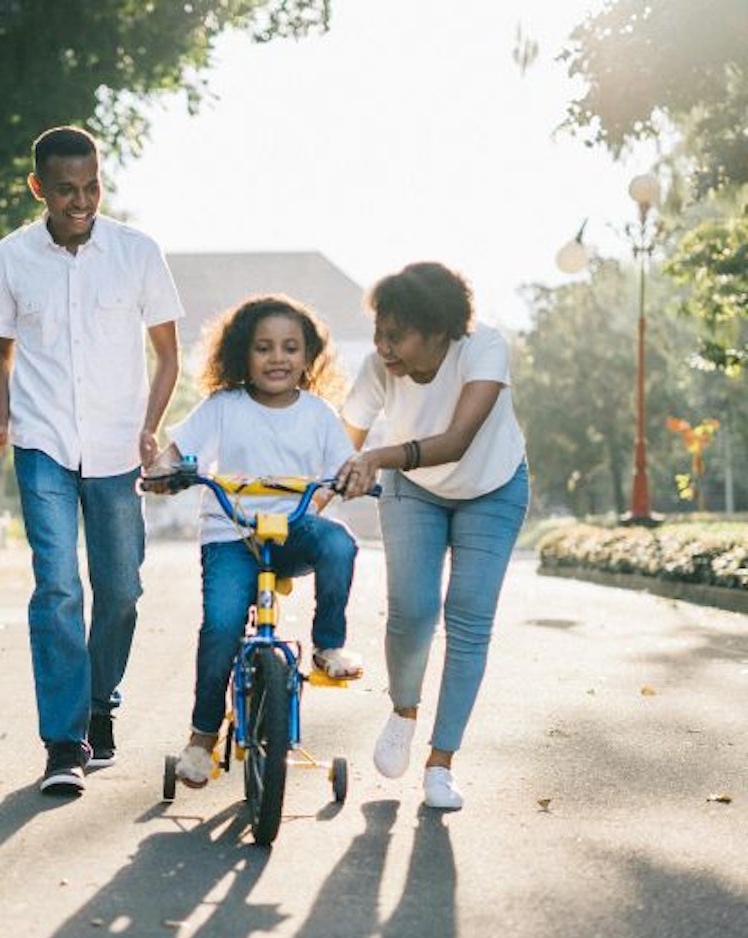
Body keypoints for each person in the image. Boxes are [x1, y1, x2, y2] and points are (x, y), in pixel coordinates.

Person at [0, 125, 183, 796]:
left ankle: (100, 704)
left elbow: (168, 354)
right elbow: (1, 354)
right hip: (42, 444)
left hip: (118, 446)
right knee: (59, 586)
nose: (81, 201)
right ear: (39, 188)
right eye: (66, 190)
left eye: (91, 186)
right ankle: (64, 742)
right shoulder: (12, 256)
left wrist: (151, 428)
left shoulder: (137, 252)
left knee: (120, 591)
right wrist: (1, 423)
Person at [144, 294, 362, 788]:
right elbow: (177, 452)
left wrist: (352, 481)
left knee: (339, 544)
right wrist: (162, 472)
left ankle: (329, 645)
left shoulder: (320, 414)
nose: (277, 357)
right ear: (243, 354)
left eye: (290, 347)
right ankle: (201, 738)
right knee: (221, 625)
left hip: (292, 531)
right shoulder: (224, 407)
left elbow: (341, 470)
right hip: (231, 535)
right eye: (264, 347)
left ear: (308, 357)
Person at [335, 261, 529, 811]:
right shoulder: (380, 367)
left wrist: (377, 456)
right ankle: (403, 711)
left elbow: (458, 440)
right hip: (414, 491)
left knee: (468, 617)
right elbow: (339, 445)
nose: (383, 346)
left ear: (439, 330)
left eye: (396, 335)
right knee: (412, 610)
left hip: (492, 487)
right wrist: (313, 496)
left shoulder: (483, 349)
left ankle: (441, 764)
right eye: (379, 332)